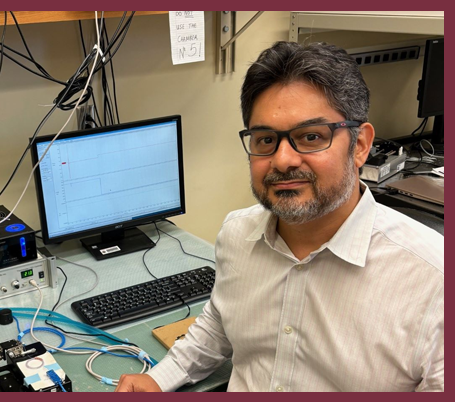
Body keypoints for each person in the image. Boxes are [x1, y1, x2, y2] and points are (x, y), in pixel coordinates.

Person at [115, 42, 444, 392]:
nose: (283, 160)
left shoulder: (432, 281)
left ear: (360, 145)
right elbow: (217, 328)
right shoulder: (237, 235)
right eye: (266, 139)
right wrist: (157, 379)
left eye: (311, 136)